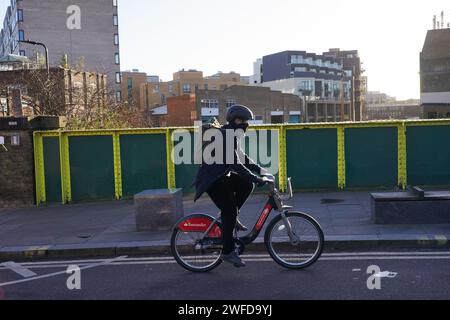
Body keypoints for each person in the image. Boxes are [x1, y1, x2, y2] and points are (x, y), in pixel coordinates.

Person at [193, 105, 274, 268]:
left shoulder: (231, 135)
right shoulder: (225, 136)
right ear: (234, 120)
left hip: (221, 177)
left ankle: (231, 218)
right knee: (229, 210)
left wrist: (260, 170)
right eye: (242, 121)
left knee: (246, 184)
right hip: (212, 181)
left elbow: (242, 158)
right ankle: (228, 251)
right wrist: (257, 179)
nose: (245, 124)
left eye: (246, 121)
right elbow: (235, 163)